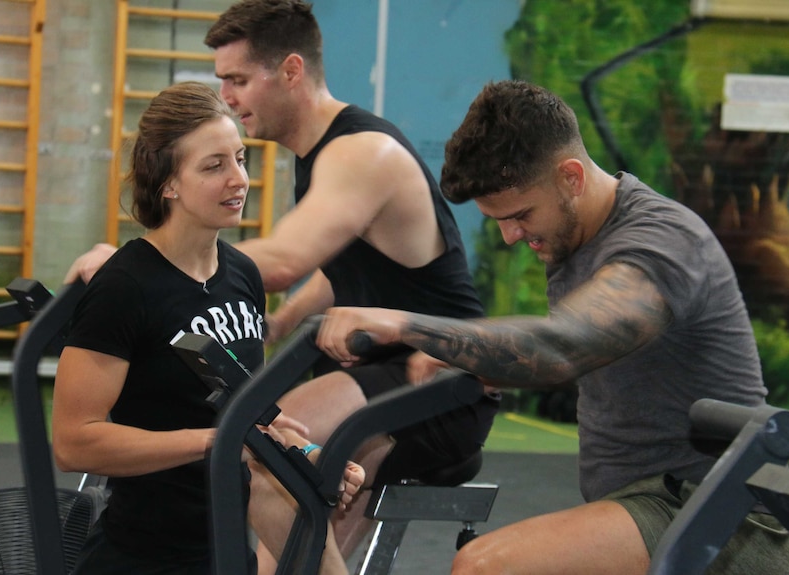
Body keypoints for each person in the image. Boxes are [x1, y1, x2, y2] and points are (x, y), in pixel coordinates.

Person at [66, 0, 500, 568]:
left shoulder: (360, 152)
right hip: (372, 367)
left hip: (438, 379)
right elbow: (342, 259)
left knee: (266, 448)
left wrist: (150, 266)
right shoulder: (324, 153)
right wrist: (284, 320)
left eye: (239, 79)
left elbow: (287, 259)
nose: (228, 97)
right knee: (266, 439)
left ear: (291, 71)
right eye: (224, 81)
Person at [315, 80, 789, 575]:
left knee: (486, 567)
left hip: (720, 514)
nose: (510, 235)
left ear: (570, 177)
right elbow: (575, 347)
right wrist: (465, 352)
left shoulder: (659, 242)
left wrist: (408, 325)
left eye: (520, 214)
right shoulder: (579, 239)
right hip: (646, 504)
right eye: (498, 221)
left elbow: (562, 347)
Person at [52, 81, 362, 575]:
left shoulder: (243, 276)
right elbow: (73, 442)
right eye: (214, 166)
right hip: (142, 558)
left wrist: (307, 454)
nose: (238, 178)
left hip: (222, 551)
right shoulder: (125, 287)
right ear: (168, 183)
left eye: (240, 158)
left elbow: (242, 411)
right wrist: (216, 441)